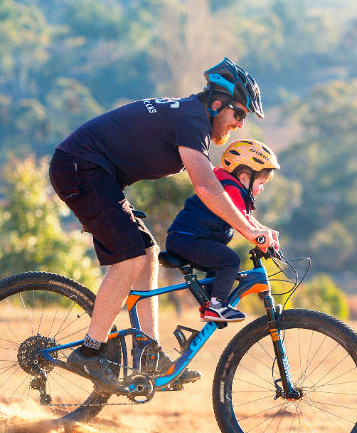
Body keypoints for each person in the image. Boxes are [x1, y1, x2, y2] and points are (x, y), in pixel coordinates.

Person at [48, 57, 273, 385]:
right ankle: (89, 352)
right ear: (216, 103)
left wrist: (254, 226)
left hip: (96, 173)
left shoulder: (192, 116)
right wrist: (250, 230)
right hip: (79, 168)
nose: (240, 124)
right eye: (238, 113)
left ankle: (147, 353)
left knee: (147, 253)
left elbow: (216, 191)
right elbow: (206, 186)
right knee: (129, 257)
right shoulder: (193, 121)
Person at [166, 139, 280, 323]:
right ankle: (216, 306)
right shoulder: (231, 189)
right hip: (188, 240)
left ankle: (211, 305)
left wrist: (266, 233)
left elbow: (246, 219)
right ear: (244, 178)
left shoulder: (230, 186)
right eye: (261, 182)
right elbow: (241, 223)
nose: (263, 188)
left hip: (186, 239)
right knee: (230, 261)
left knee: (221, 263)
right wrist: (256, 236)